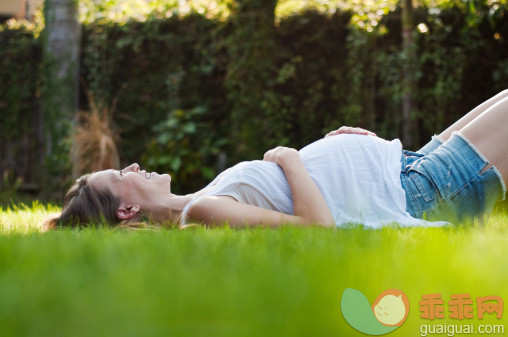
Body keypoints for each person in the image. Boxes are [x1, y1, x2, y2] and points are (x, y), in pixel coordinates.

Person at [44, 90, 508, 230]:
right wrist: (291, 157)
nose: (130, 166)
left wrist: (339, 150)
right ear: (127, 210)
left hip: (402, 168)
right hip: (419, 192)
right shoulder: (199, 211)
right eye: (118, 176)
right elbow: (317, 229)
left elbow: (300, 194)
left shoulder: (203, 199)